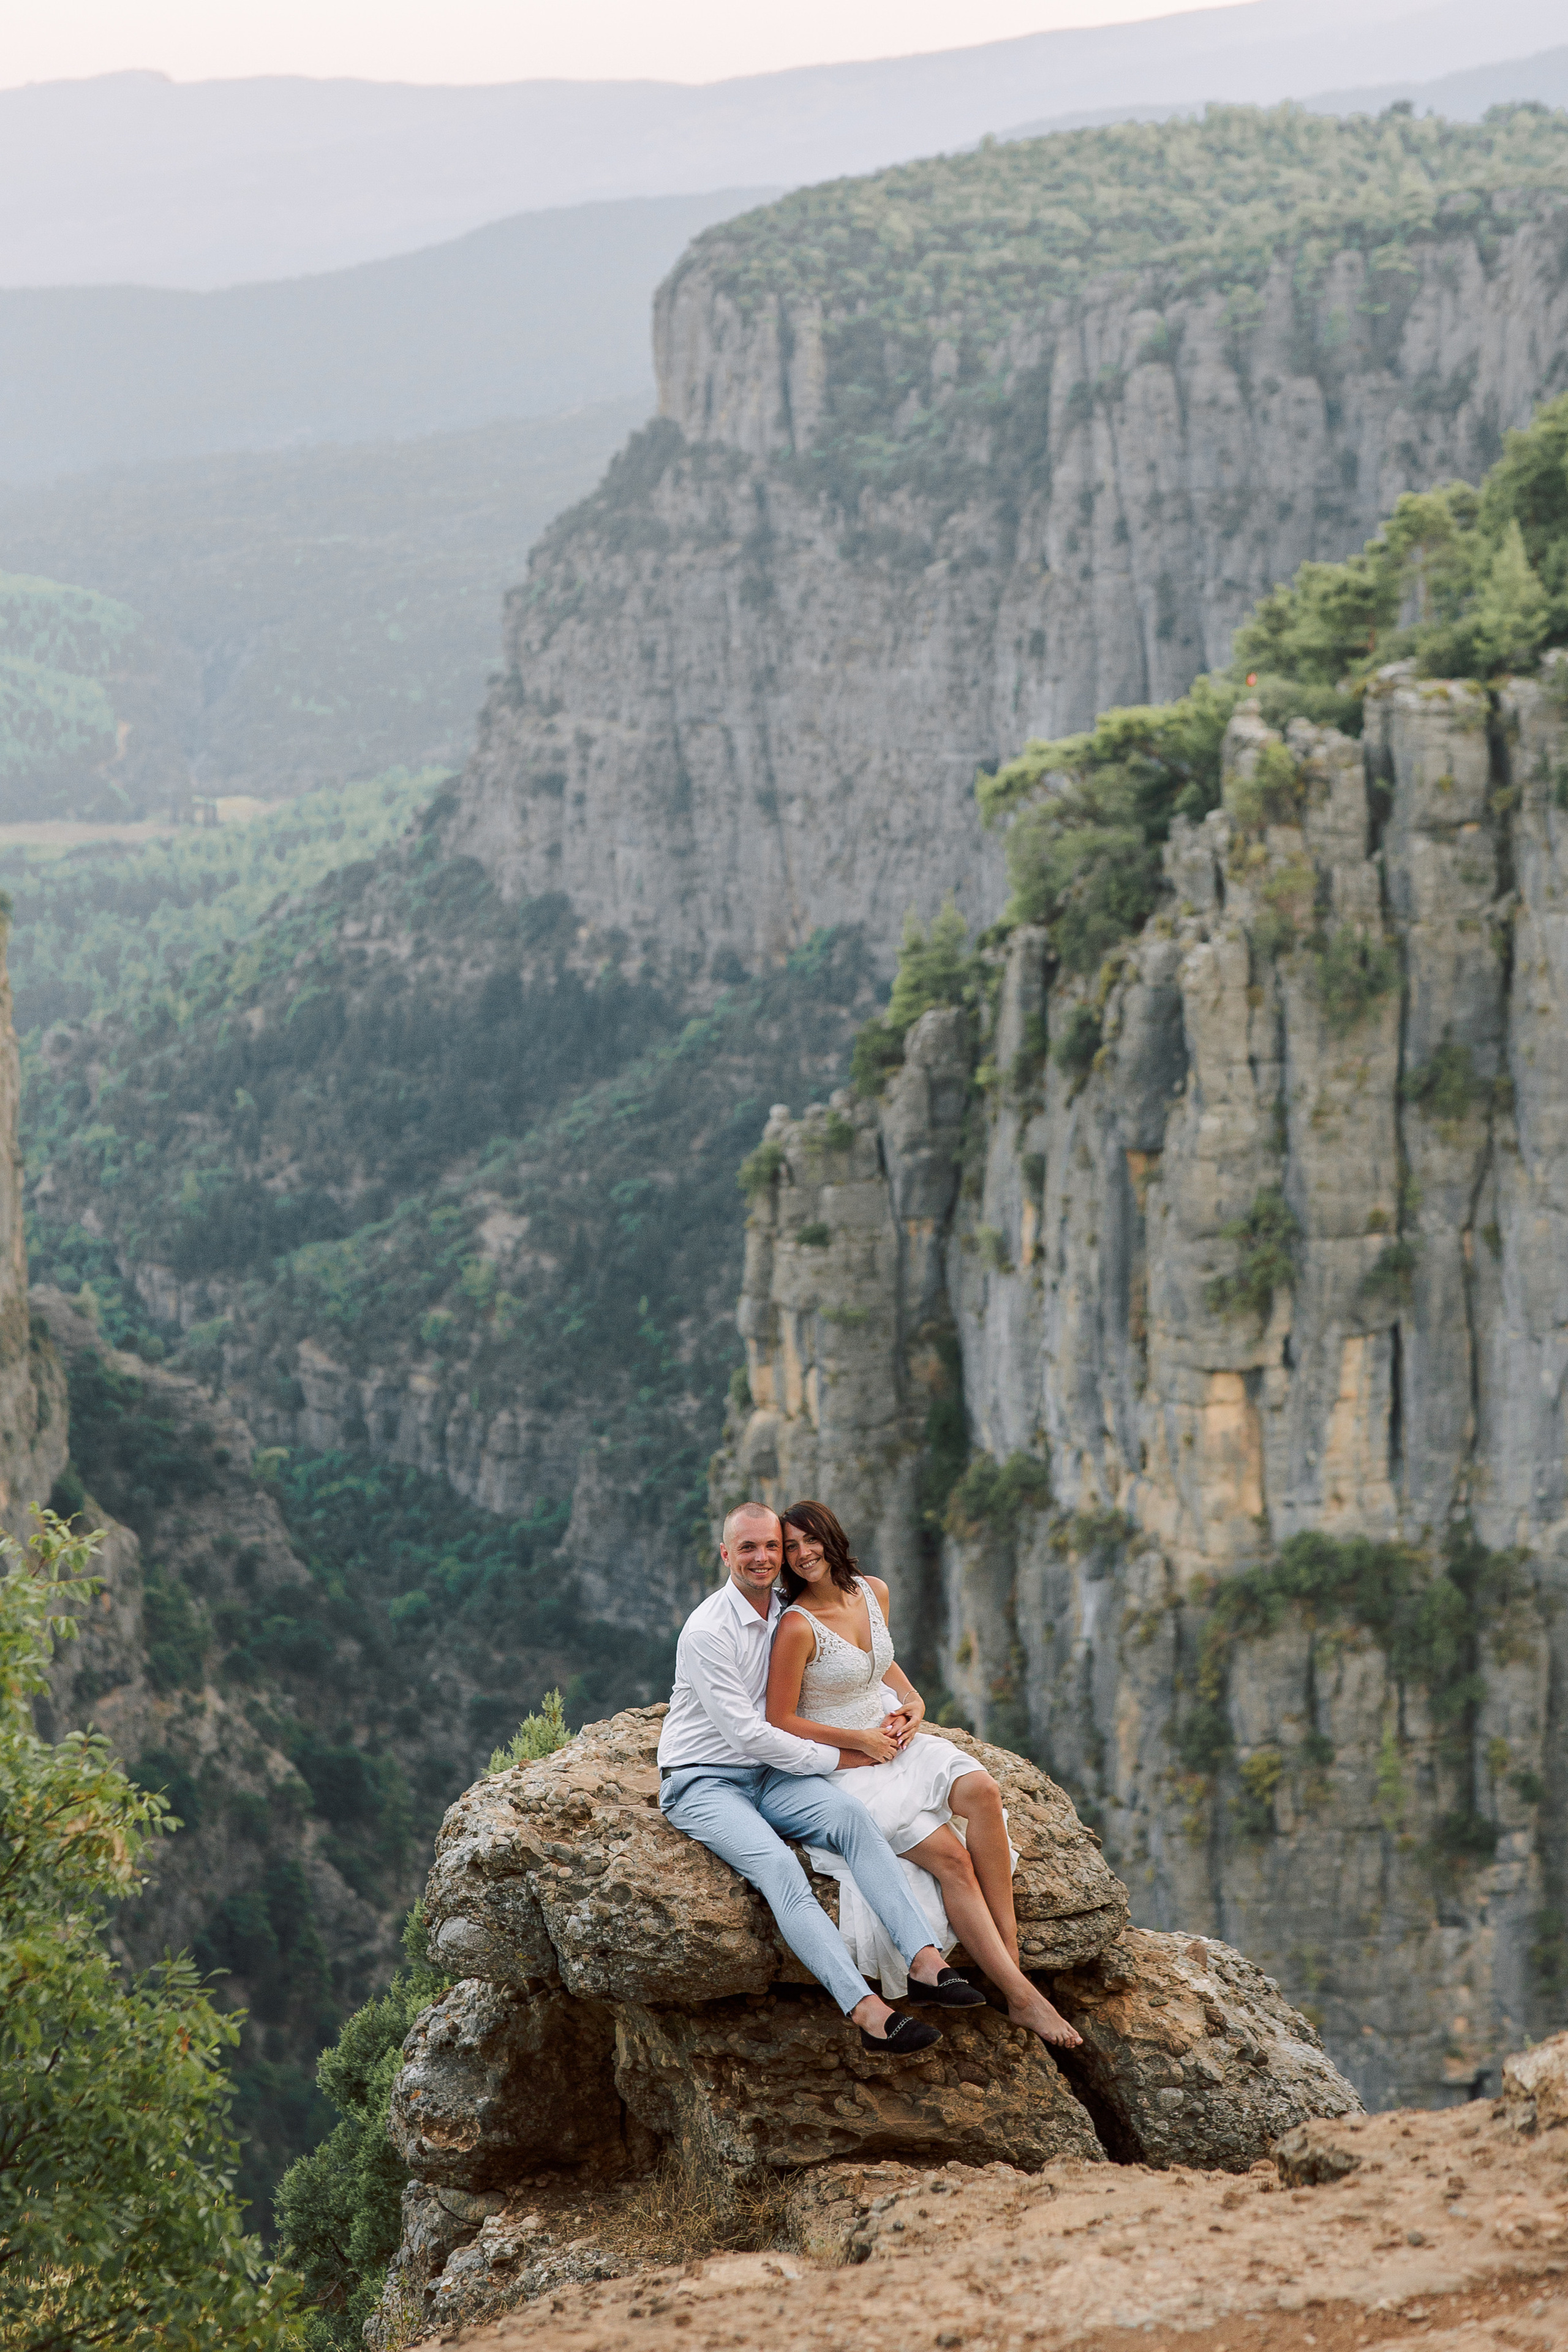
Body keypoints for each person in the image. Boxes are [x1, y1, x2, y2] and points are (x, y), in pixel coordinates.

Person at [657, 1500, 988, 2054]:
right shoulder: (707, 1632)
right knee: (780, 1868)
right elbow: (749, 1734)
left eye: (772, 1546)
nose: (763, 1558)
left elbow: (850, 1660)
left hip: (771, 1773)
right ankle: (867, 2012)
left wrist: (904, 1700)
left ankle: (927, 1964)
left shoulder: (787, 1607)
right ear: (725, 1555)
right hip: (705, 1779)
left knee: (855, 1822)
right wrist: (847, 1756)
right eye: (748, 1548)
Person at [766, 1498, 1083, 2050]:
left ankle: (1007, 1957)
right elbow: (780, 1718)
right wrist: (857, 1740)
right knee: (951, 1859)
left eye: (808, 1541)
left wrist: (912, 1701)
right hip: (850, 1768)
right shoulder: (796, 1626)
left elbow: (877, 1659)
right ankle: (1022, 1995)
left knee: (982, 1790)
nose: (801, 1554)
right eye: (789, 1548)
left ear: (831, 1538)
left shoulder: (872, 1590)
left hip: (895, 1740)